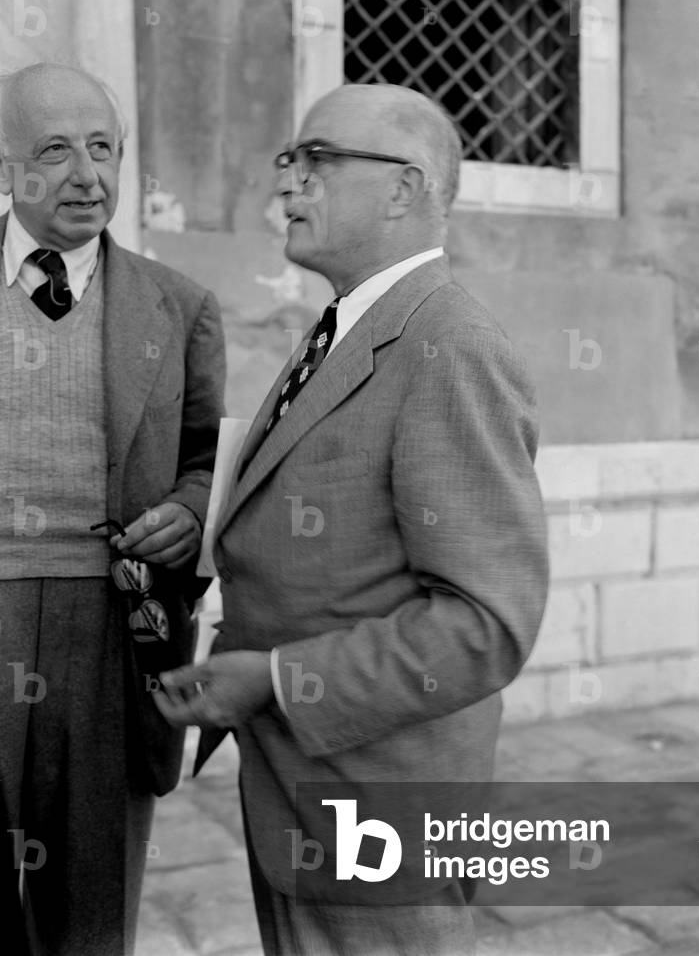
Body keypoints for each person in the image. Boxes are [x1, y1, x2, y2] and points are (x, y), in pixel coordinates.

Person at [156, 83, 548, 955]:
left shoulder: (450, 346)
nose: (287, 185)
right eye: (289, 160)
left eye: (317, 160)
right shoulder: (346, 327)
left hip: (379, 807)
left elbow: (486, 627)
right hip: (300, 790)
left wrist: (281, 679)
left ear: (404, 189)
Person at [0, 62, 226, 955]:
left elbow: (214, 460)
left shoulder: (179, 306)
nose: (86, 177)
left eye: (103, 149)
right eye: (53, 151)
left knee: (92, 906)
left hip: (114, 620)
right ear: (4, 167)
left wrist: (189, 506)